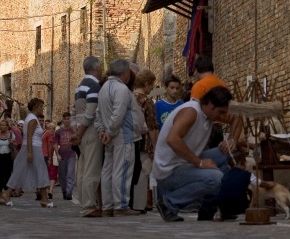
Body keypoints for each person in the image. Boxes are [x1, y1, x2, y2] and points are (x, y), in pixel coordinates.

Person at [152, 85, 233, 222]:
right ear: (211, 105)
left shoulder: (209, 113)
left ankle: (209, 207)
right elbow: (172, 139)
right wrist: (199, 162)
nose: (222, 117)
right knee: (216, 177)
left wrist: (232, 141)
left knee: (225, 153)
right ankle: (169, 203)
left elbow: (236, 118)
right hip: (168, 171)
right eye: (220, 112)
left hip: (184, 164)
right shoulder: (191, 111)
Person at [95, 59, 138, 216]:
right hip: (122, 136)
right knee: (122, 170)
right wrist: (110, 132)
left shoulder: (104, 87)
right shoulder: (121, 89)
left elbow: (98, 113)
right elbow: (118, 113)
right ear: (125, 73)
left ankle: (108, 205)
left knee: (108, 171)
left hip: (109, 135)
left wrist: (102, 131)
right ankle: (121, 205)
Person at [1, 98, 53, 208]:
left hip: (30, 147)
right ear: (35, 107)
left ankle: (7, 194)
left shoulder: (30, 118)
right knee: (41, 171)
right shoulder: (33, 119)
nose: (42, 109)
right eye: (40, 107)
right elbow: (29, 136)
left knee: (20, 170)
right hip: (33, 147)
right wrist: (30, 152)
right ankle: (44, 199)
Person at [71, 56, 104, 217]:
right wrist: (81, 131)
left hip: (80, 128)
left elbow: (73, 112)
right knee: (92, 169)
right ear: (97, 69)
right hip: (89, 130)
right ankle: (89, 206)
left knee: (83, 170)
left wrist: (75, 131)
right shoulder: (94, 86)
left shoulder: (79, 87)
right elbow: (91, 112)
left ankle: (85, 203)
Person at [132, 68, 159, 212]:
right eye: (152, 84)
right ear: (147, 83)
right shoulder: (147, 102)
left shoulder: (130, 97)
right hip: (144, 142)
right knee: (143, 172)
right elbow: (152, 126)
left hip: (130, 140)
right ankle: (139, 204)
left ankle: (130, 202)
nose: (153, 87)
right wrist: (155, 146)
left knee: (132, 172)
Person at [53, 112, 77, 200]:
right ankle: (64, 191)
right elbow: (55, 143)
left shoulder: (73, 130)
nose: (67, 121)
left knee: (70, 174)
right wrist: (57, 154)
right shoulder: (58, 131)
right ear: (62, 120)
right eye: (65, 119)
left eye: (68, 118)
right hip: (62, 155)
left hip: (71, 154)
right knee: (62, 175)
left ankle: (69, 193)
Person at [0, 118, 15, 195]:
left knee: (8, 173)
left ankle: (6, 188)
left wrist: (11, 143)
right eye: (1, 125)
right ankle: (0, 188)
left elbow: (13, 148)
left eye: (3, 125)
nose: (2, 127)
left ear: (7, 126)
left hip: (8, 156)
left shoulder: (11, 135)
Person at [41, 120, 57, 200]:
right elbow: (50, 145)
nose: (52, 130)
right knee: (50, 173)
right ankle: (48, 191)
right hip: (48, 155)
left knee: (46, 173)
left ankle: (47, 190)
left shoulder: (46, 133)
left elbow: (48, 145)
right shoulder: (49, 133)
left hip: (45, 154)